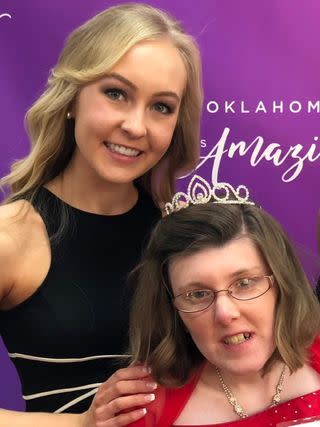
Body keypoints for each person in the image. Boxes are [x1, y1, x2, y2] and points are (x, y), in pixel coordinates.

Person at [0, 2, 203, 424]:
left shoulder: (178, 234)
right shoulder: (11, 238)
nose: (135, 125)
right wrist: (83, 422)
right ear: (72, 98)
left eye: (161, 107)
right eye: (116, 93)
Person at [124, 179, 320, 426]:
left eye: (245, 283)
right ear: (173, 311)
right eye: (197, 294)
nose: (225, 313)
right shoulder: (143, 407)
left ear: (282, 287)